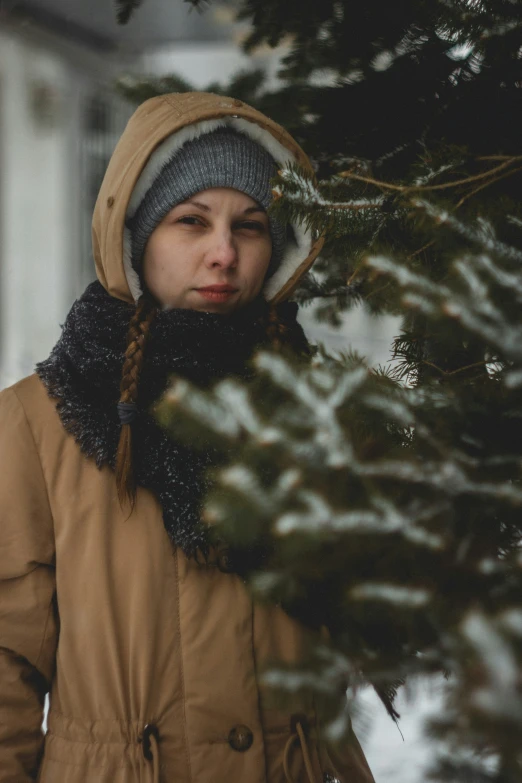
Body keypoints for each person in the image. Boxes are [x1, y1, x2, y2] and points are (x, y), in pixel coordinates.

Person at [0, 91, 374, 783]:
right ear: (137, 236)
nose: (224, 252)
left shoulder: (317, 412)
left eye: (251, 226)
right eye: (191, 221)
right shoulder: (36, 423)